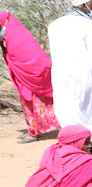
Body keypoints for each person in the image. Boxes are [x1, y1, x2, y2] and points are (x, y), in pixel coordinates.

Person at [47, 0, 92, 142]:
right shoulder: (88, 25)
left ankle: (76, 147)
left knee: (69, 115)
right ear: (83, 5)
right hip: (87, 80)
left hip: (62, 79)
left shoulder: (54, 25)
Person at [0, 11, 60, 142]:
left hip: (32, 77)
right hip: (31, 76)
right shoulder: (13, 34)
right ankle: (33, 130)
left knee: (29, 104)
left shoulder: (14, 38)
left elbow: (17, 58)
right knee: (29, 103)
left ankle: (33, 133)